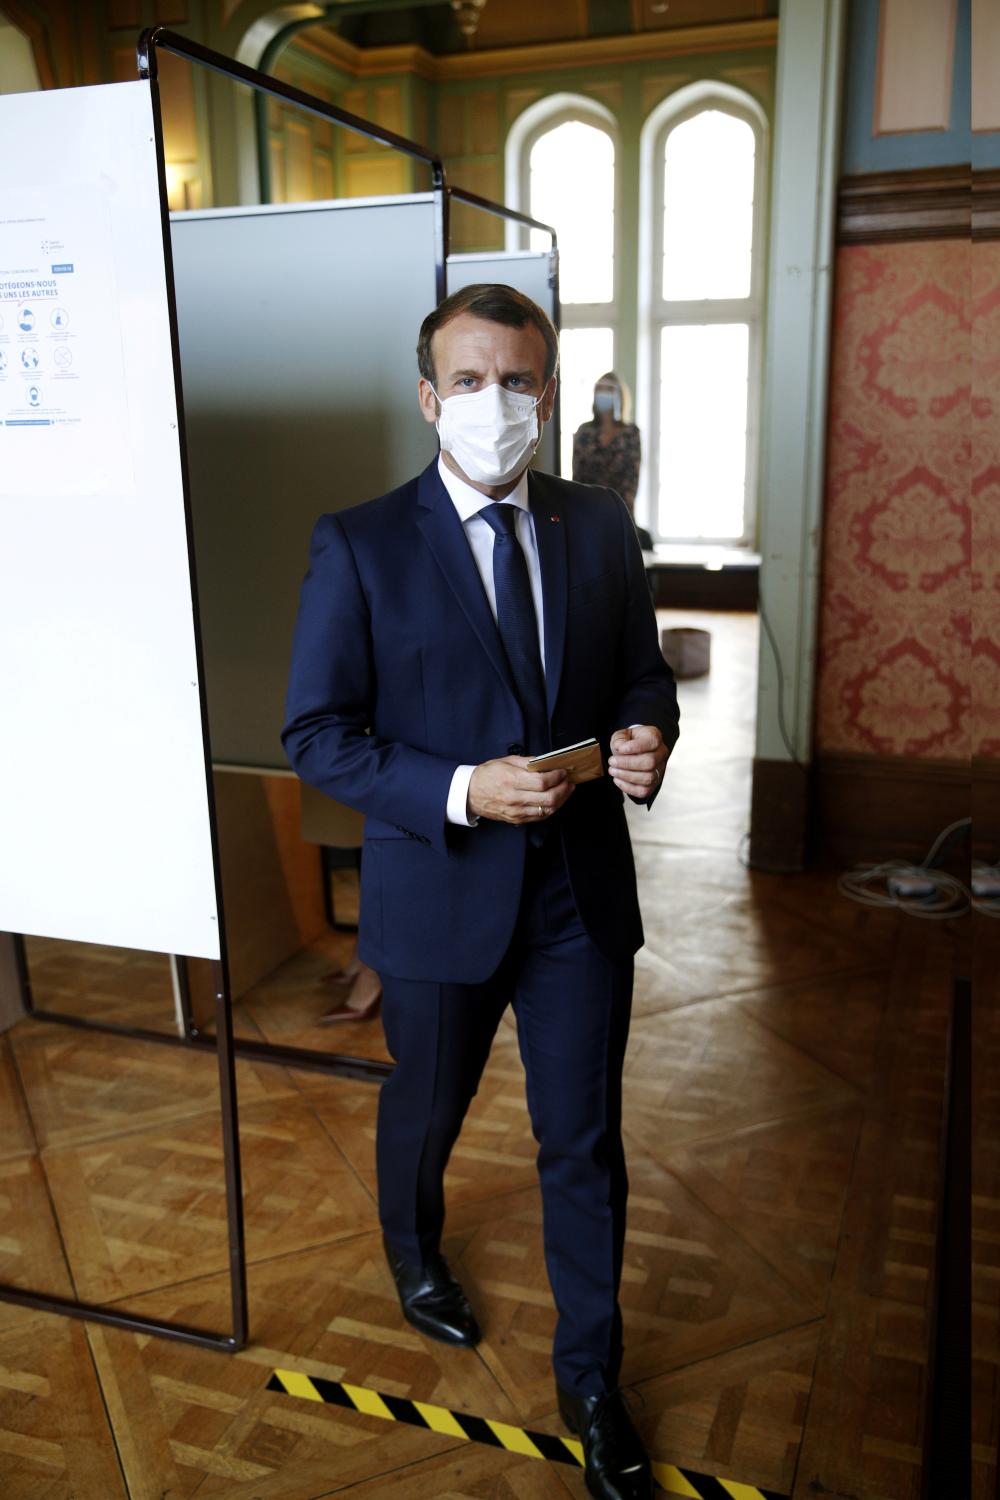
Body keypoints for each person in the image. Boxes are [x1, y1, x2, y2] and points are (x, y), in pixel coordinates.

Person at [282, 284, 679, 1500]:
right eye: (468, 380)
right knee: (428, 1105)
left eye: (515, 380)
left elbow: (642, 676)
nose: (492, 401)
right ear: (428, 397)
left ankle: (592, 1380)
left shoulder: (598, 525)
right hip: (440, 891)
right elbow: (318, 735)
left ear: (547, 395)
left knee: (583, 1139)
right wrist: (460, 788)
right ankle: (413, 1252)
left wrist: (647, 738)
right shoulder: (361, 542)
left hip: (577, 898)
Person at [572, 373, 653, 551]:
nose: (604, 393)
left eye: (609, 389)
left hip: (621, 515)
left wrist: (621, 513)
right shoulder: (584, 432)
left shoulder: (630, 433)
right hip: (588, 516)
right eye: (600, 388)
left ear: (619, 395)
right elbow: (577, 477)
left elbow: (632, 480)